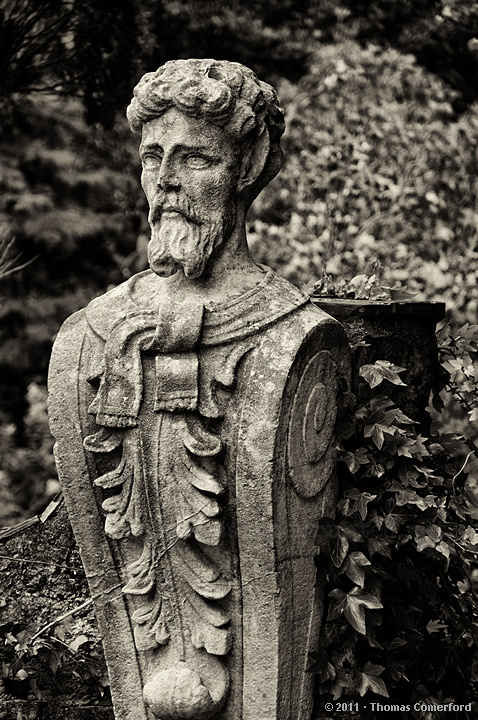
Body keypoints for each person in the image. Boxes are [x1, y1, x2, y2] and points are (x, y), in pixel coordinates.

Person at [49, 59, 350, 720]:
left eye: (195, 158)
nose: (167, 182)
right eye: (152, 157)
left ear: (245, 170)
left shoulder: (293, 336)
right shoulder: (91, 337)